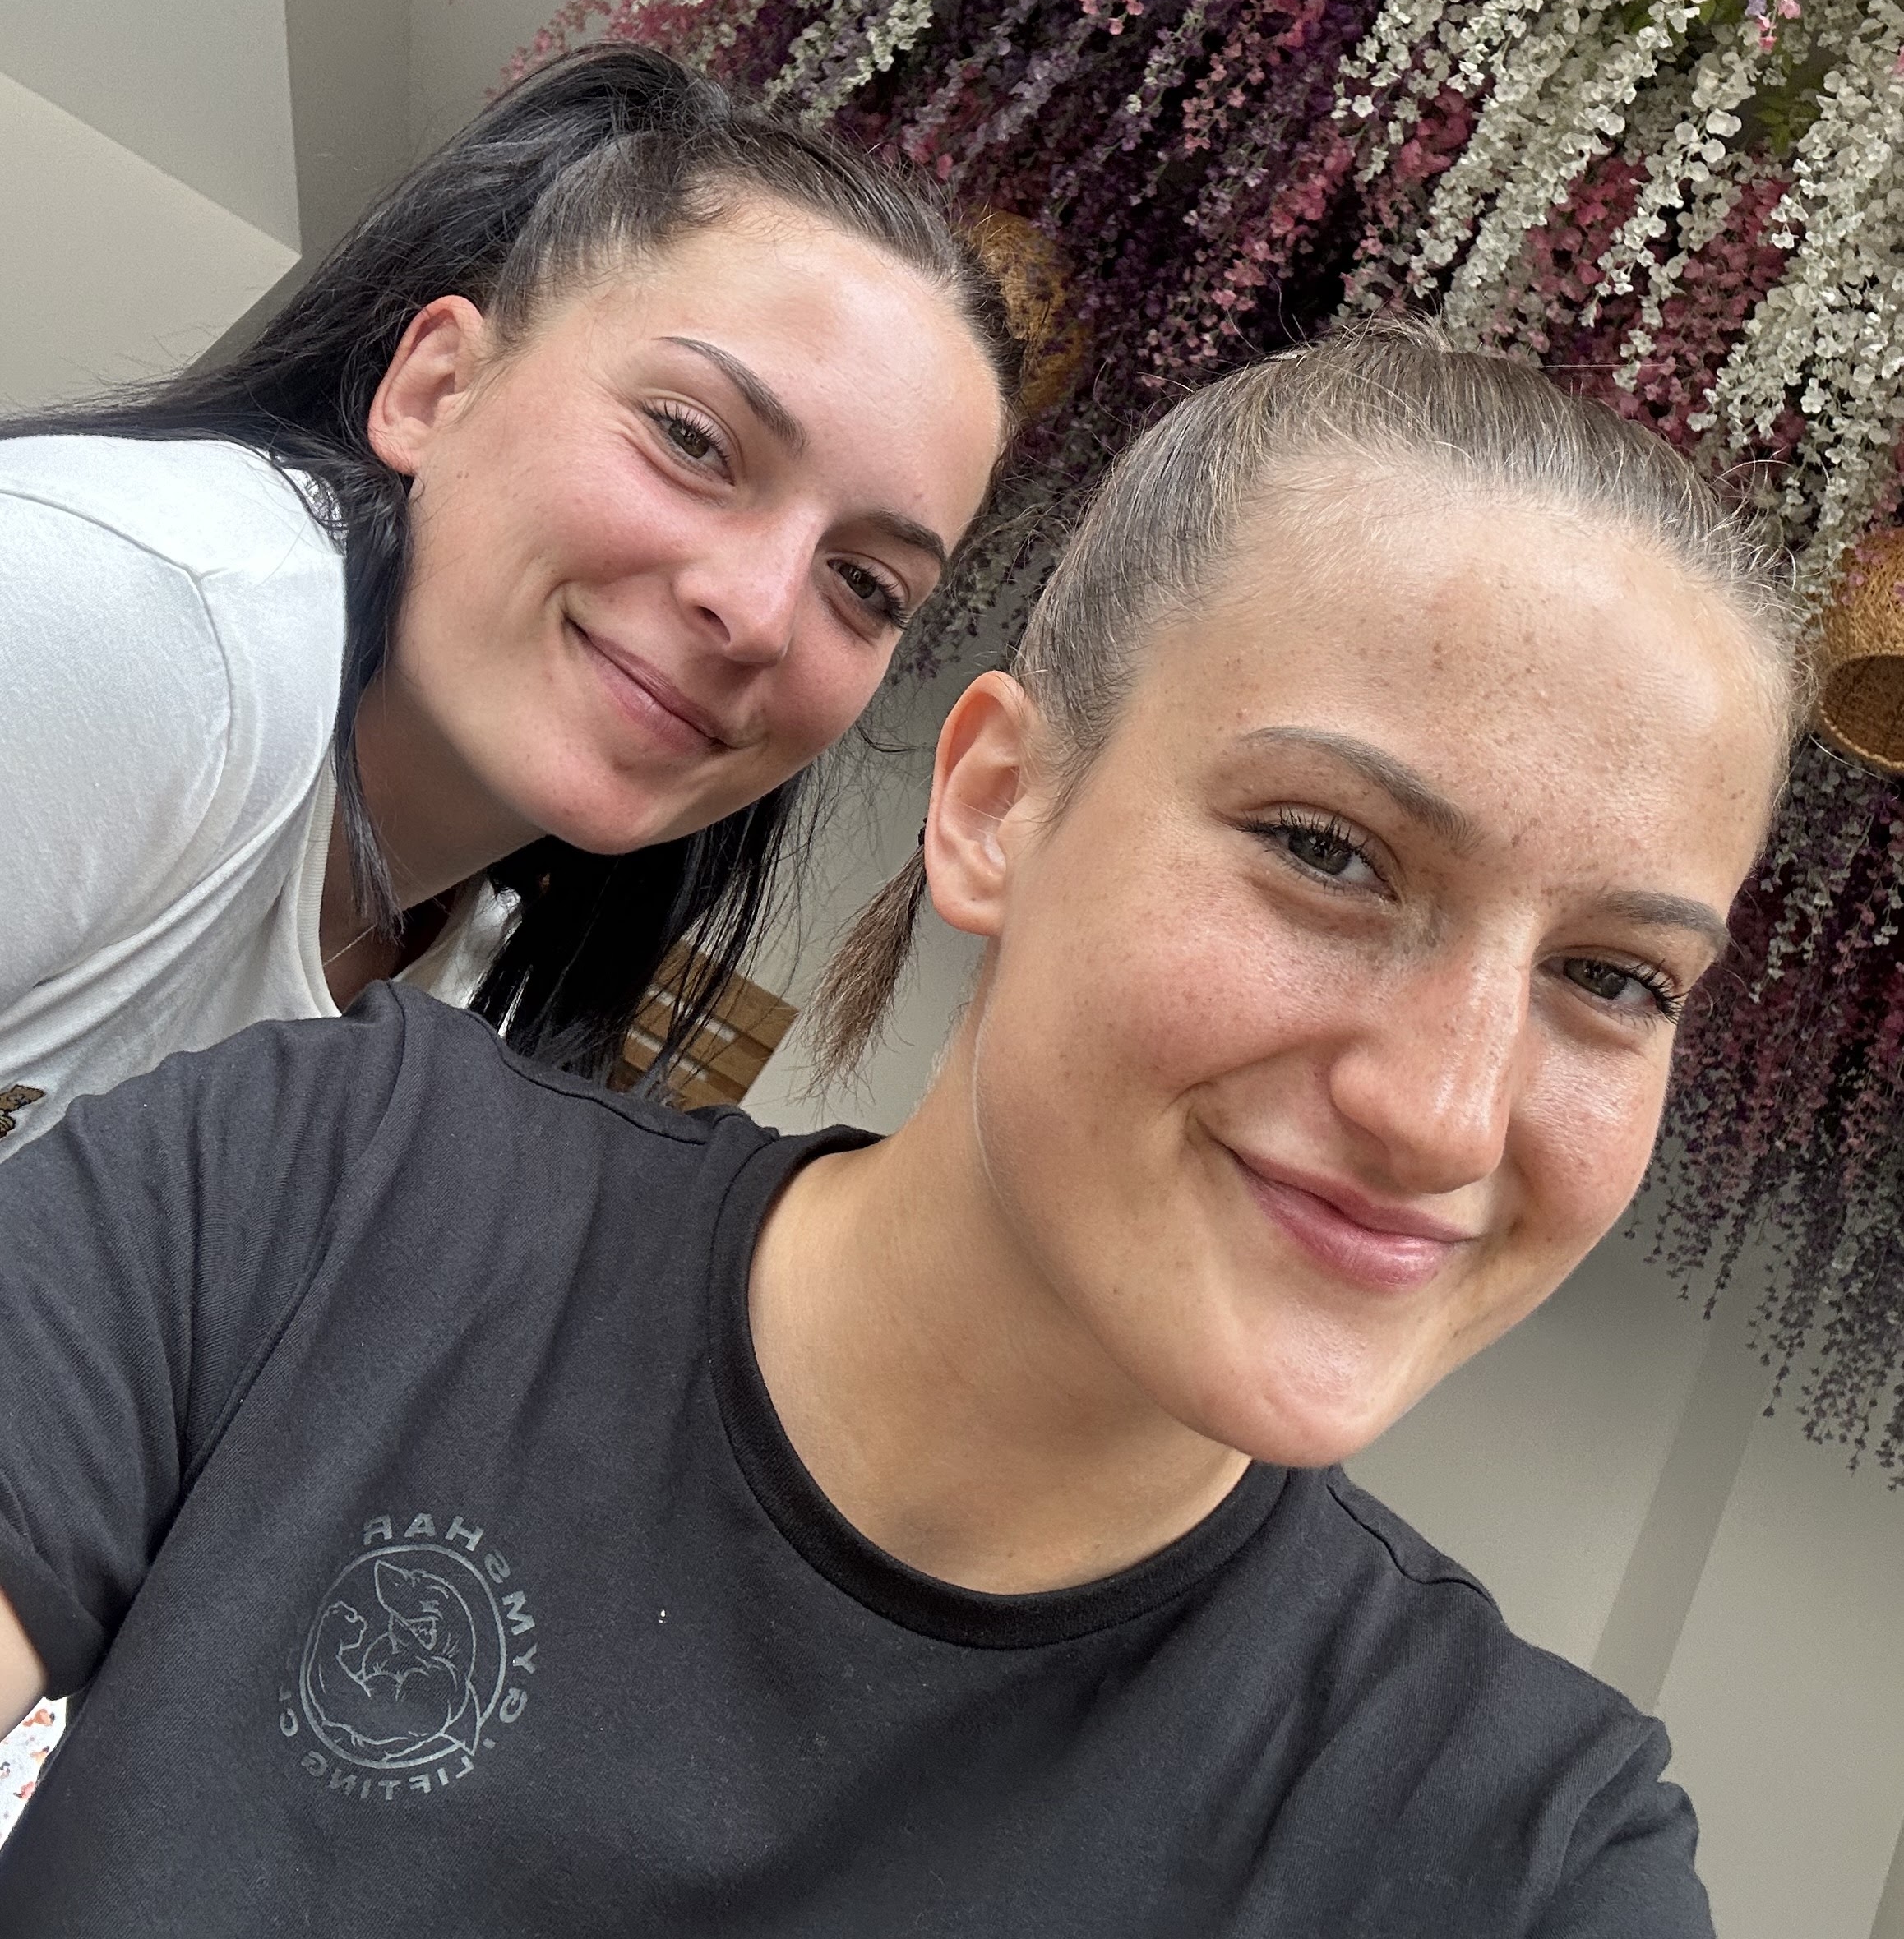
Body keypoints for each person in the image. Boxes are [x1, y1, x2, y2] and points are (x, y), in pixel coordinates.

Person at [0, 326, 1800, 1934]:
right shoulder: (325, 1191)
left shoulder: (1524, 1852)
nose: (1445, 1114)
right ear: (998, 805)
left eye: (1614, 977)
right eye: (1330, 852)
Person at [0, 42, 1019, 1142]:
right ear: (436, 388)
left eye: (865, 584)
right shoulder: (125, 617)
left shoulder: (461, 993)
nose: (760, 615)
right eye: (692, 439)